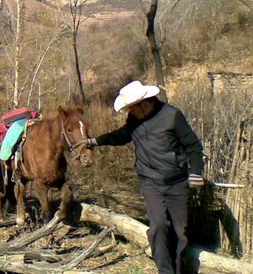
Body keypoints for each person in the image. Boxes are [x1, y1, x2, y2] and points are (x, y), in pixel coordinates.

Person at [86, 80, 204, 274]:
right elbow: (122, 135)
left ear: (144, 103)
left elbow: (193, 147)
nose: (129, 113)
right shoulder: (135, 120)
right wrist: (95, 141)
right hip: (150, 182)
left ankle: (178, 269)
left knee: (180, 233)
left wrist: (196, 172)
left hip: (177, 182)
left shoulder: (172, 116)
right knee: (158, 226)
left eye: (131, 109)